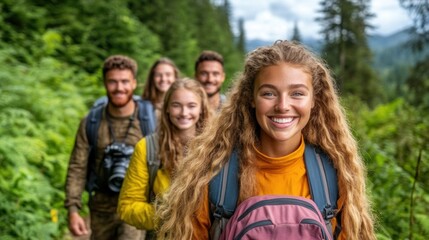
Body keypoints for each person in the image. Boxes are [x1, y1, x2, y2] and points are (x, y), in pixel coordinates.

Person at [156, 40, 376, 240]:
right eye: (269, 93)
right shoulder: (214, 173)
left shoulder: (333, 173)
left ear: (314, 100)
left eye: (297, 93)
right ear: (251, 99)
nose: (282, 105)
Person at [65, 55, 154, 239]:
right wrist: (73, 209)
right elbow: (77, 166)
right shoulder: (91, 122)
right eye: (112, 82)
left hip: (136, 203)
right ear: (105, 83)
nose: (119, 88)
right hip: (101, 206)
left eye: (124, 81)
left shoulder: (150, 120)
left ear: (134, 83)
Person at [117, 77, 211, 233]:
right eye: (176, 105)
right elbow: (127, 206)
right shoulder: (147, 148)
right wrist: (168, 216)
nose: (184, 112)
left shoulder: (216, 148)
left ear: (201, 108)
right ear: (166, 108)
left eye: (191, 106)